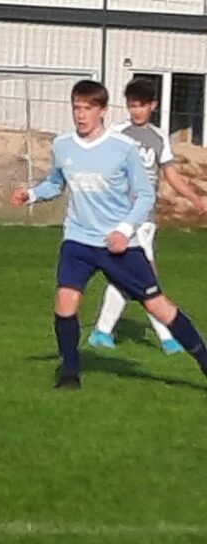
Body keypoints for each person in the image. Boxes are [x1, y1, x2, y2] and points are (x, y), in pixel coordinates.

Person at [11, 79, 207, 389]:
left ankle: (205, 363)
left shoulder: (122, 148)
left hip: (119, 244)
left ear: (102, 111)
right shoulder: (62, 145)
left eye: (88, 108)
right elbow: (55, 183)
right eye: (76, 107)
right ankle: (70, 372)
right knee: (65, 303)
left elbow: (145, 195)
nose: (81, 115)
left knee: (159, 306)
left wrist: (123, 230)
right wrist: (31, 195)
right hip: (78, 240)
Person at [89, 77, 207, 355]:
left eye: (141, 106)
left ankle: (102, 332)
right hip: (120, 217)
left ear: (152, 106)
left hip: (146, 218)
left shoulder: (158, 137)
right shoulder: (116, 132)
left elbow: (170, 174)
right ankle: (167, 335)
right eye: (132, 106)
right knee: (144, 276)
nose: (136, 111)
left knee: (129, 276)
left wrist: (193, 198)